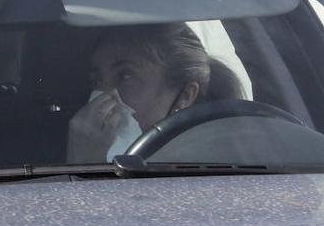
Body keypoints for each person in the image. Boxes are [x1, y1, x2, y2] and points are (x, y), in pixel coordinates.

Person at [67, 22, 245, 163]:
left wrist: (86, 164)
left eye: (125, 76)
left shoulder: (218, 168)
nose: (104, 94)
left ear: (185, 96)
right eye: (97, 81)